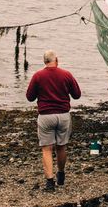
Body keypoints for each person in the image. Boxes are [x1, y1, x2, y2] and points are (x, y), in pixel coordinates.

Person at [26, 50, 81, 192]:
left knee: (46, 149)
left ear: (44, 61)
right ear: (56, 60)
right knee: (61, 146)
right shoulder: (66, 74)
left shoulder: (38, 76)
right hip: (63, 115)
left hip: (46, 116)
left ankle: (50, 182)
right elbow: (77, 95)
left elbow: (30, 97)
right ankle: (61, 173)